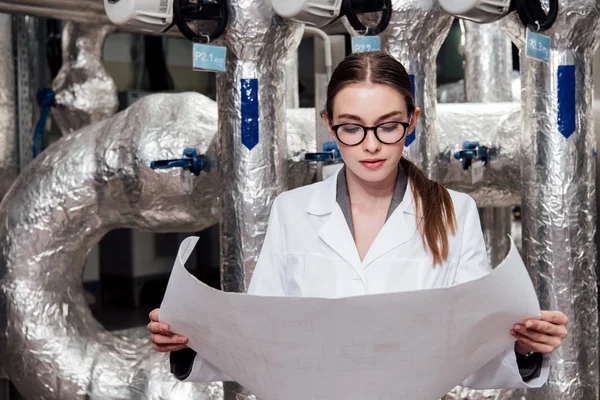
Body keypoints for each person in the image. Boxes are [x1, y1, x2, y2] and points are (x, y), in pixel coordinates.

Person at [147, 51, 568, 389]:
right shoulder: (292, 211)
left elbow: (470, 356)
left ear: (412, 123)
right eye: (352, 128)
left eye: (388, 127)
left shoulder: (454, 212)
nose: (371, 146)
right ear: (329, 126)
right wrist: (188, 343)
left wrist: (525, 351)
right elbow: (263, 345)